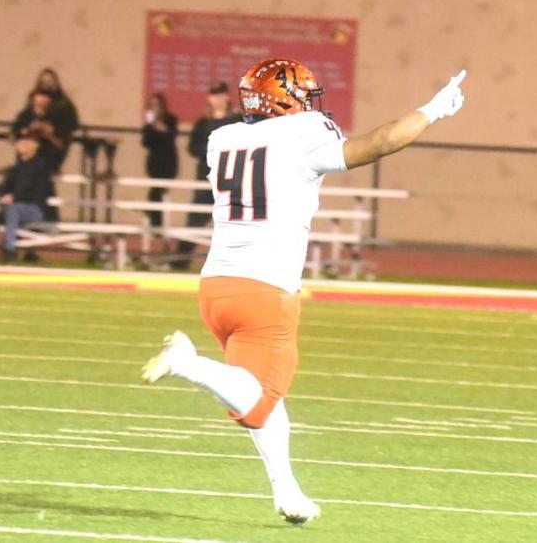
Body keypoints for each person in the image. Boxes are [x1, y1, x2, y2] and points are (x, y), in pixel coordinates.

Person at [143, 58, 466, 525]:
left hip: (216, 288)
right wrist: (432, 110)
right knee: (258, 402)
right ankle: (187, 363)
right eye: (303, 95)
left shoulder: (222, 140)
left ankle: (287, 491)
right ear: (284, 97)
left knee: (260, 394)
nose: (311, 104)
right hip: (265, 292)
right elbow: (379, 143)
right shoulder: (302, 133)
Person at [174, 81, 242, 268]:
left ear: (227, 96)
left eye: (221, 94)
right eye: (214, 95)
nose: (218, 98)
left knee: (234, 223)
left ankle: (235, 265)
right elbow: (193, 147)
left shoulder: (238, 120)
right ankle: (179, 262)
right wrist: (212, 150)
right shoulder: (203, 122)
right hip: (206, 177)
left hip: (231, 179)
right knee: (195, 221)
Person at [0, 136, 54, 262]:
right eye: (20, 142)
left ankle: (9, 249)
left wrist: (15, 197)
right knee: (5, 208)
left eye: (26, 142)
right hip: (15, 207)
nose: (21, 145)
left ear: (35, 145)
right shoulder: (17, 168)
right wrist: (0, 196)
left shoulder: (41, 167)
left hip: (35, 209)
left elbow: (40, 193)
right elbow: (4, 187)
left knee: (13, 209)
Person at [141, 92, 178, 227]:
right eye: (151, 105)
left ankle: (157, 223)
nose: (154, 108)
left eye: (156, 105)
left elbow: (170, 136)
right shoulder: (149, 123)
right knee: (155, 191)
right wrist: (150, 125)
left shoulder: (170, 120)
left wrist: (157, 125)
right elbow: (145, 142)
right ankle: (155, 222)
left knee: (160, 192)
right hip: (154, 162)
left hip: (168, 162)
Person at [31, 67, 79, 170]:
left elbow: (71, 126)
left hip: (52, 151)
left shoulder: (64, 104)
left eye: (49, 82)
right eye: (43, 82)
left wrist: (51, 132)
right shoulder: (33, 101)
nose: (46, 85)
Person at [10, 89, 67, 173]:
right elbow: (13, 136)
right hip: (25, 161)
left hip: (47, 163)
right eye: (38, 104)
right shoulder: (24, 116)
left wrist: (48, 134)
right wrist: (28, 130)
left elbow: (60, 144)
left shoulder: (55, 118)